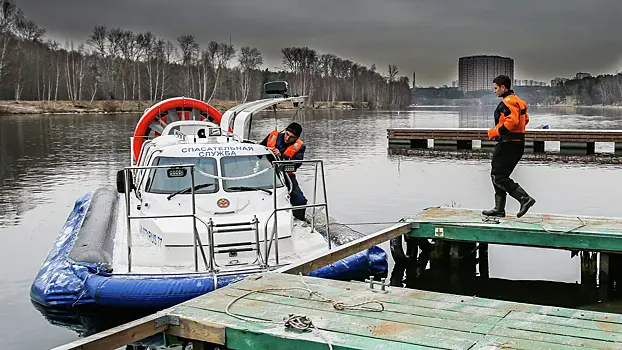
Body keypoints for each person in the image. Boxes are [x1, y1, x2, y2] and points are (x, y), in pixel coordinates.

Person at [483, 75, 536, 218]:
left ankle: (524, 199)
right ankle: (499, 209)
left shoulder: (507, 102)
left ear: (503, 87)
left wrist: (495, 132)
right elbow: (525, 120)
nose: (494, 91)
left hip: (508, 144)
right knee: (497, 174)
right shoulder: (519, 102)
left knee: (498, 176)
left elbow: (512, 122)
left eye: (495, 88)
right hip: (517, 143)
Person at [260, 122, 308, 220]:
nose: (287, 138)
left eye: (291, 137)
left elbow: (297, 164)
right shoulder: (273, 136)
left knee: (300, 200)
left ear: (296, 138)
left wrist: (281, 155)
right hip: (266, 171)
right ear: (285, 131)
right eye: (287, 134)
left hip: (286, 174)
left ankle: (299, 220)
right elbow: (259, 150)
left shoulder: (300, 146)